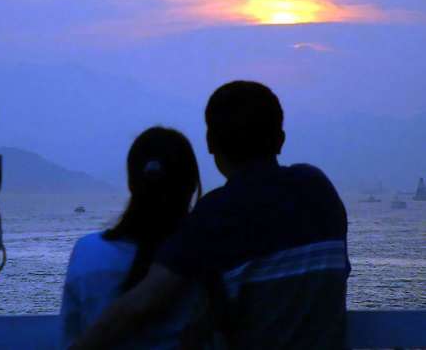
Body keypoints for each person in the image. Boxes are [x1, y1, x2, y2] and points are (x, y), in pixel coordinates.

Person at [74, 81, 350, 350]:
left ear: (210, 143)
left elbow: (141, 303)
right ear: (280, 140)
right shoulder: (318, 188)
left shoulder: (218, 213)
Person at [60, 126, 203, 350]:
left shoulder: (88, 252)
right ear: (192, 185)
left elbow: (70, 334)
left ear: (131, 183)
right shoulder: (207, 260)